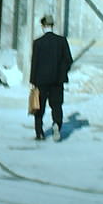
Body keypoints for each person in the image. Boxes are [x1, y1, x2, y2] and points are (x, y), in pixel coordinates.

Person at [30, 14, 73, 142]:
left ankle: (40, 133)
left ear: (43, 26)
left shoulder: (38, 43)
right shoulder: (62, 41)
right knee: (56, 105)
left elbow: (34, 63)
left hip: (41, 80)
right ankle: (56, 124)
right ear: (52, 26)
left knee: (39, 107)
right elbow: (68, 60)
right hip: (57, 81)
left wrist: (32, 80)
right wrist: (62, 72)